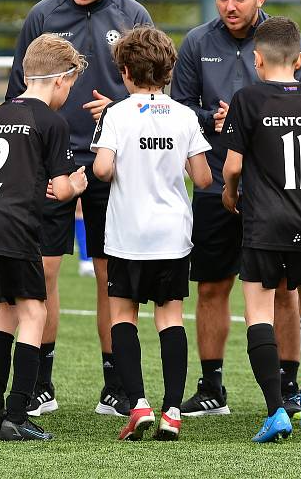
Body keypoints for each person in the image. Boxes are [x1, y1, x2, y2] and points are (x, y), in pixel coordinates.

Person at [6, 0, 153, 417]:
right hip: (51, 166)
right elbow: (17, 96)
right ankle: (41, 381)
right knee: (44, 270)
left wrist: (118, 108)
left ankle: (115, 386)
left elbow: (150, 96)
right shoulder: (42, 15)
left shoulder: (133, 17)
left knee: (111, 276)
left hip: (111, 166)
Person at [170, 0, 301, 417]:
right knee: (212, 286)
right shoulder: (195, 43)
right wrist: (213, 118)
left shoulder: (289, 42)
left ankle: (290, 386)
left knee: (285, 290)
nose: (229, 6)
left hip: (279, 192)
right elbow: (180, 107)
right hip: (216, 184)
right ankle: (212, 386)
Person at [221, 17, 301, 442]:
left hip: (263, 220)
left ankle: (276, 410)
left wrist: (230, 192)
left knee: (259, 310)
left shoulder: (247, 99)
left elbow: (233, 165)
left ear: (257, 59)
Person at [91, 26, 211, 441]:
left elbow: (102, 169)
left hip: (128, 233)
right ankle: (173, 410)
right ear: (169, 71)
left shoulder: (117, 114)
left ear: (125, 71)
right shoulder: (184, 115)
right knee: (170, 318)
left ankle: (138, 403)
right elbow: (203, 177)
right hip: (172, 234)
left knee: (123, 314)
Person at [0, 34, 88, 441]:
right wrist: (77, 183)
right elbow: (60, 190)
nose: (68, 95)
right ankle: (17, 413)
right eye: (70, 86)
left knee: (5, 309)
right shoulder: (51, 122)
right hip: (15, 223)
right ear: (60, 80)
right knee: (33, 312)